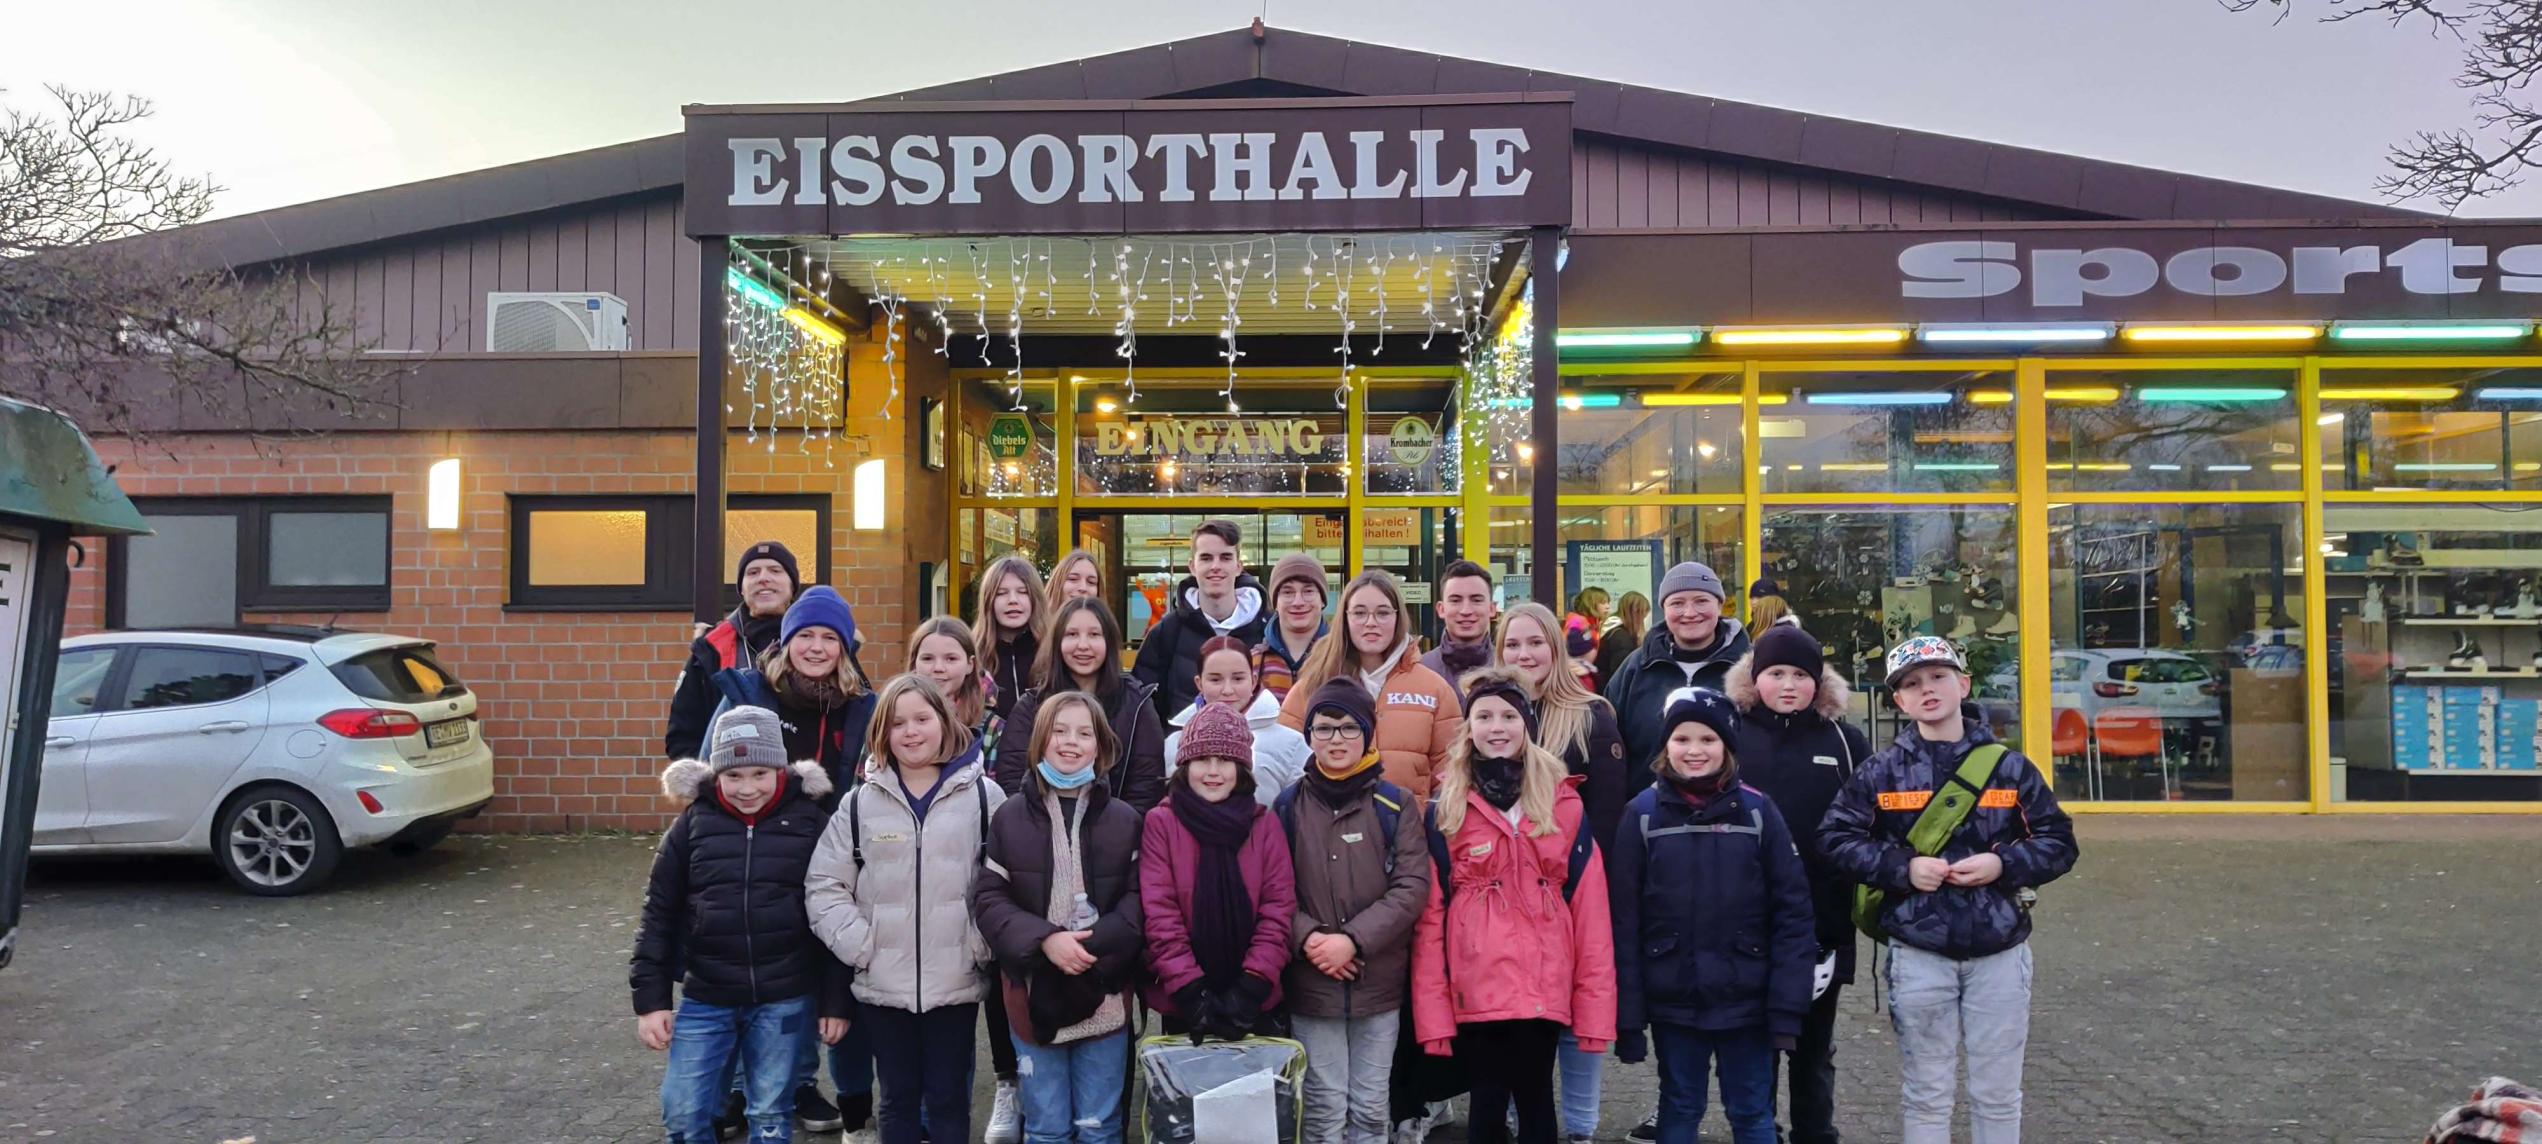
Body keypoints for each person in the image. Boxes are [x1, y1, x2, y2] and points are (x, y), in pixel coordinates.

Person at [1821, 636, 2079, 1144]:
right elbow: (1834, 838)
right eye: (1912, 684)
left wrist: (2001, 863)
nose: (1927, 690)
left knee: (1998, 1093)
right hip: (1919, 953)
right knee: (1927, 1092)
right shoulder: (1880, 771)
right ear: (1898, 701)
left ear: (1963, 684)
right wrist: (1903, 868)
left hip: (2000, 953)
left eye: (1939, 677)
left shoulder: (2010, 768)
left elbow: (2059, 841)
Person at [1410, 669, 1616, 1144]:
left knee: (1537, 1102)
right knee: (1485, 1104)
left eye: (1508, 715)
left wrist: (1595, 1009)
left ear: (1527, 726)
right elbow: (1430, 920)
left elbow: (1590, 911)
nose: (1496, 726)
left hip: (1543, 984)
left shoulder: (1563, 804)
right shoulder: (1447, 808)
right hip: (1476, 986)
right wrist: (1433, 1014)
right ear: (1468, 728)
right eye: (1484, 716)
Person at [1608, 688, 1816, 1144]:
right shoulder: (1642, 816)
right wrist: (1628, 1015)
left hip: (1749, 999)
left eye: (1708, 739)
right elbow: (1624, 922)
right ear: (1666, 746)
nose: (1695, 750)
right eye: (1682, 739)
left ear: (1728, 747)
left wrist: (1786, 1006)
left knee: (1752, 1111)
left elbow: (1793, 913)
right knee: (1680, 1107)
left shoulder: (1760, 813)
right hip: (1674, 999)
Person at [634, 706, 848, 1144]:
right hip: (706, 996)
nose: (746, 788)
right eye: (733, 776)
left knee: (770, 1112)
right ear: (716, 775)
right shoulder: (691, 826)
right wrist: (651, 1001)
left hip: (784, 998)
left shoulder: (811, 824)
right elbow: (658, 914)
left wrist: (836, 1001)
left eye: (759, 774)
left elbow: (836, 915)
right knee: (683, 1109)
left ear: (780, 770)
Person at [806, 675, 1005, 1144]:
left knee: (948, 1097)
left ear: (945, 721)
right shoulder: (859, 805)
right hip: (883, 985)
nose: (911, 732)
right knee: (896, 1099)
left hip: (954, 983)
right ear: (882, 734)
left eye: (922, 719)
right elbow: (824, 885)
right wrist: (862, 944)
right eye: (897, 723)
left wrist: (979, 941)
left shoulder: (984, 798)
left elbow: (1007, 879)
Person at [973, 691, 1148, 1144]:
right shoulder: (1009, 818)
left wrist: (1093, 945)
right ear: (1039, 741)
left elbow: (1138, 900)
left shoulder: (1125, 820)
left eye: (1084, 733)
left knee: (1099, 1125)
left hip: (1105, 994)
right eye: (1060, 730)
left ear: (1101, 746)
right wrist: (1046, 940)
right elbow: (991, 900)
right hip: (1031, 994)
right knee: (1046, 1127)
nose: (1071, 742)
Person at [1723, 620, 1871, 1144]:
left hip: (1821, 925)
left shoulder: (1845, 741)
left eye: (1801, 675)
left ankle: (1816, 1133)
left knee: (1813, 1049)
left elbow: (1867, 823)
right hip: (1744, 922)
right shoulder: (1730, 734)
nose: (1788, 685)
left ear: (1820, 682)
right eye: (1776, 673)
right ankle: (1758, 1133)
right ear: (1754, 677)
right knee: (1755, 1047)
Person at [1493, 602, 1627, 1144]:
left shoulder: (1592, 716)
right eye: (1513, 646)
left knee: (1576, 1015)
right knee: (1509, 1014)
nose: (1524, 655)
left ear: (1555, 647)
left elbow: (1609, 821)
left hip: (1571, 897)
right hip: (1504, 902)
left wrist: (1593, 900)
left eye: (1535, 644)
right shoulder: (1489, 711)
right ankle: (1509, 1118)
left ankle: (1579, 1127)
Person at [1281, 679, 1433, 1144]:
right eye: (1325, 728)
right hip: (1313, 983)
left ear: (1368, 734)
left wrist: (1354, 940)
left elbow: (1411, 886)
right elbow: (1273, 891)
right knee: (1323, 1108)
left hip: (1378, 983)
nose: (1337, 739)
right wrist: (1309, 940)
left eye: (1349, 728)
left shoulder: (1395, 804)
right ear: (1309, 734)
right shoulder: (1287, 806)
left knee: (1370, 1106)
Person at [903, 614, 1025, 1141]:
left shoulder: (996, 725)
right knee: (933, 1004)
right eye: (927, 658)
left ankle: (1006, 1084)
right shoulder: (896, 720)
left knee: (993, 991)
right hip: (913, 882)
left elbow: (1005, 797)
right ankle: (930, 1110)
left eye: (950, 657)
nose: (939, 667)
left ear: (972, 664)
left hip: (980, 875)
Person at [1140, 702, 1297, 1040]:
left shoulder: (1264, 824)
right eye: (1201, 760)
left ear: (1243, 768)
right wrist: (1190, 990)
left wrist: (1253, 984)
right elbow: (1160, 912)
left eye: (1225, 760)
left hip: (1255, 998)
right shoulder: (1162, 823)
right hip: (1186, 999)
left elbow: (1278, 910)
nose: (1213, 771)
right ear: (1184, 765)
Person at [1278, 570, 1462, 799]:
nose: (1371, 623)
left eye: (1383, 613)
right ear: (1345, 618)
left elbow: (1451, 771)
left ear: (1398, 617)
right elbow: (1284, 764)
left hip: (1411, 830)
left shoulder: (1434, 688)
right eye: (1359, 613)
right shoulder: (1315, 685)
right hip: (1330, 830)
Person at [995, 597, 1168, 813]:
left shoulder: (1137, 705)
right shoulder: (1031, 707)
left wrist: (1119, 833)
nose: (1083, 645)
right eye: (1072, 634)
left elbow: (1146, 787)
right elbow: (1012, 781)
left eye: (1094, 634)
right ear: (1057, 641)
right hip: (1041, 835)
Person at [710, 586, 876, 805]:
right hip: (759, 835)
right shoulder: (746, 694)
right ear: (787, 643)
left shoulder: (864, 708)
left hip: (835, 835)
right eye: (805, 635)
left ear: (843, 650)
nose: (817, 647)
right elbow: (710, 776)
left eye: (829, 638)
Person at [1605, 562, 1753, 795]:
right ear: (1664, 609)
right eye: (1677, 603)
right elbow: (1610, 746)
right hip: (1649, 817)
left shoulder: (1750, 668)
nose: (1690, 613)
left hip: (1733, 817)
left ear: (1720, 605)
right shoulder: (1635, 668)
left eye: (1701, 601)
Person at [666, 541, 799, 759]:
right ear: (742, 588)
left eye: (775, 570)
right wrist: (710, 785)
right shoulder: (710, 650)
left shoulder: (824, 646)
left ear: (792, 585)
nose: (763, 578)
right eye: (753, 572)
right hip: (732, 789)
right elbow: (682, 736)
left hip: (804, 788)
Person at [1133, 519, 1270, 720]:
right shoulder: (1166, 633)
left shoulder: (1268, 630)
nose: (1215, 566)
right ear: (1192, 566)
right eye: (1206, 558)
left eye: (1225, 557)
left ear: (1239, 566)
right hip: (1181, 749)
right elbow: (1144, 710)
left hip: (1256, 750)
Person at [1164, 635, 1311, 809]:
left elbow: (1301, 813)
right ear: (1200, 683)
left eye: (1238, 679)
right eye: (1215, 680)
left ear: (1254, 680)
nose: (1227, 690)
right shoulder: (1174, 743)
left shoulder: (1291, 743)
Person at [974, 556, 1048, 725]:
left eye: (1023, 592)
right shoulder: (971, 658)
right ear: (988, 601)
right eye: (1001, 593)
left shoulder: (1055, 653)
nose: (1012, 600)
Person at [1255, 552, 1331, 702]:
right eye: (1288, 592)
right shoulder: (1253, 662)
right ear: (1275, 602)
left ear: (1322, 600)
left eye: (1308, 591)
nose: (1298, 602)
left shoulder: (1343, 660)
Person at [1420, 559, 1498, 690]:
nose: (1466, 611)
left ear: (1491, 609)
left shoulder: (1508, 669)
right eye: (1455, 600)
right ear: (1441, 609)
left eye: (1476, 600)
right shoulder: (1420, 670)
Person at [1593, 592, 1649, 689]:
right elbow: (1621, 674)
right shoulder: (1621, 638)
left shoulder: (1614, 630)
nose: (1642, 622)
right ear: (1636, 613)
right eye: (1643, 617)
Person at [1562, 588, 1610, 689]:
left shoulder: (1593, 623)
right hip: (1576, 675)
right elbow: (1573, 649)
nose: (1608, 606)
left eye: (1608, 602)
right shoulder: (1578, 622)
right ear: (1591, 604)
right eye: (1603, 603)